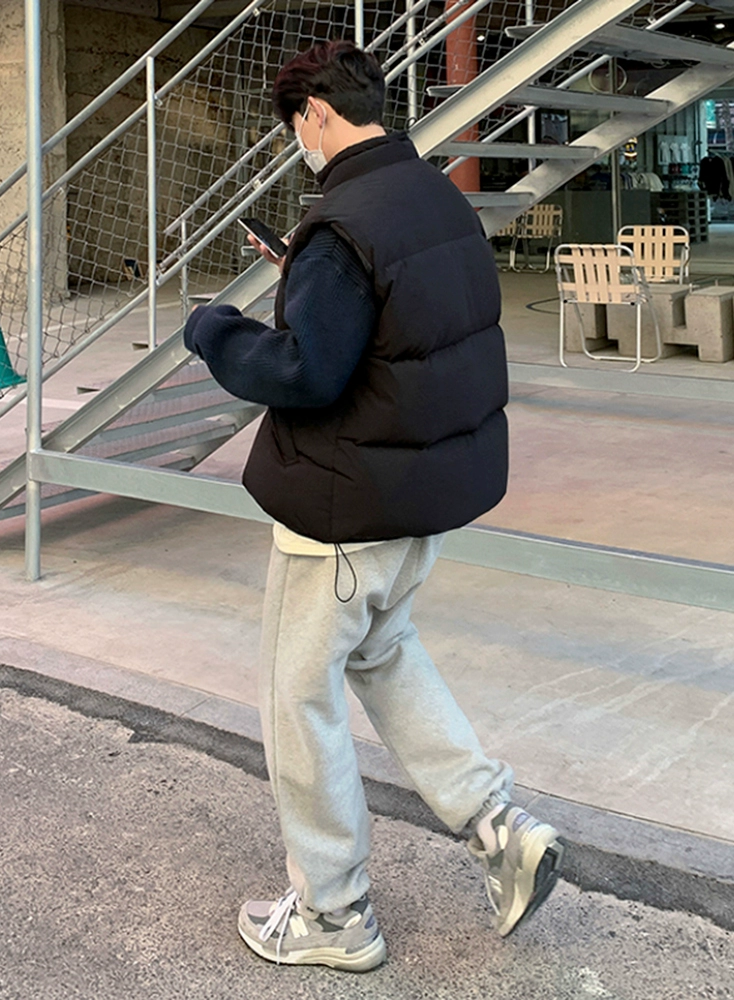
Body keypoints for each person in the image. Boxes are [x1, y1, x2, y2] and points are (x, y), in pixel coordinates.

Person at [183, 40, 563, 972]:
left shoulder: (339, 225)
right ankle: (498, 825)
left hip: (342, 505)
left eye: (294, 126)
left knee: (298, 697)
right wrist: (305, 278)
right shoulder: (434, 197)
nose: (297, 143)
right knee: (382, 654)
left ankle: (334, 911)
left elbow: (304, 371)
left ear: (314, 113)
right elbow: (404, 320)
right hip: (420, 493)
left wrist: (216, 330)